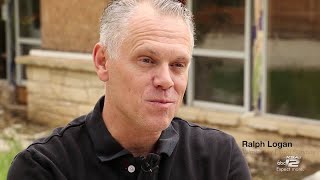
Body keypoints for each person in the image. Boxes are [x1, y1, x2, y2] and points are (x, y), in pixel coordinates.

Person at [8, 0, 251, 179]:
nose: (166, 80)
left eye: (178, 65)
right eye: (146, 60)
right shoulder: (45, 168)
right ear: (103, 61)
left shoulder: (219, 158)